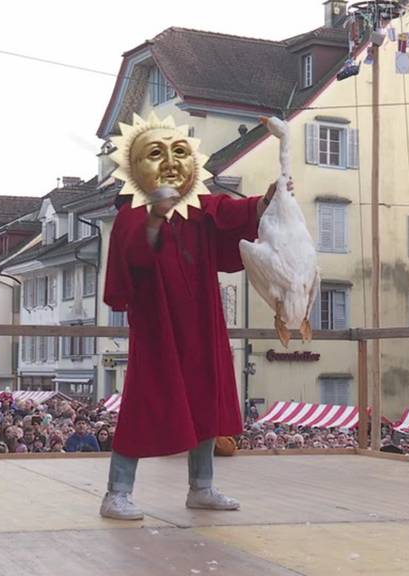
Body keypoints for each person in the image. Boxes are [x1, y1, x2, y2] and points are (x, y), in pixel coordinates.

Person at [99, 113, 284, 520]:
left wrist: (265, 202)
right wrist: (155, 216)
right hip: (158, 326)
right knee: (145, 401)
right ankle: (117, 492)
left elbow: (232, 217)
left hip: (201, 318)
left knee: (205, 396)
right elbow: (134, 256)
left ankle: (201, 486)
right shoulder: (132, 212)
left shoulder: (198, 206)